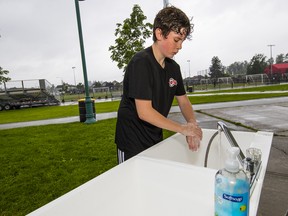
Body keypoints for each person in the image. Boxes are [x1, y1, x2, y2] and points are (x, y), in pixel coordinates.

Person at [115, 6, 202, 163]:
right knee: (133, 185)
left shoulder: (173, 68)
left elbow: (183, 101)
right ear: (159, 33)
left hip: (154, 138)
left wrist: (192, 126)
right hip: (131, 141)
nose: (180, 46)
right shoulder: (140, 63)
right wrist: (183, 129)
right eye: (176, 40)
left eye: (182, 41)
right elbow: (144, 112)